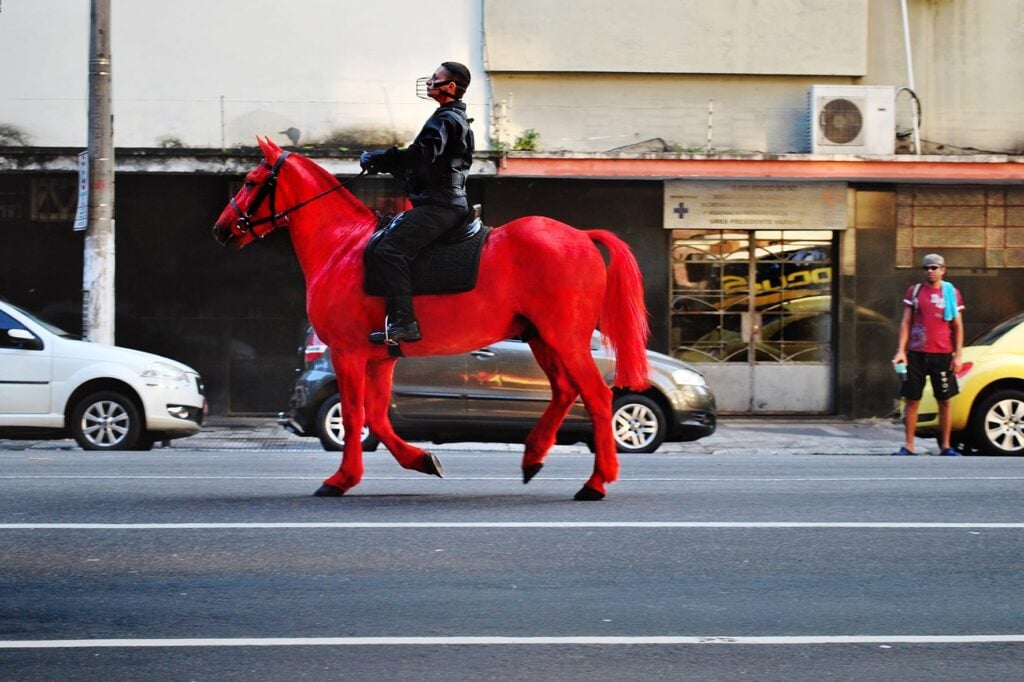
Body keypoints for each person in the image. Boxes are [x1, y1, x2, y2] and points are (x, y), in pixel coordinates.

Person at [359, 61, 475, 345]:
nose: (429, 82)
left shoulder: (446, 119)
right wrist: (386, 165)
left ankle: (404, 323)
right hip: (447, 203)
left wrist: (378, 158)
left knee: (389, 249)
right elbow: (423, 167)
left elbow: (420, 155)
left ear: (450, 87)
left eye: (435, 78)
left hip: (440, 206)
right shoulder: (454, 118)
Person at [891, 253, 965, 456]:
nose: (930, 271)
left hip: (943, 354)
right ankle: (909, 445)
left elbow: (957, 326)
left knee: (945, 400)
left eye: (934, 267)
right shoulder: (915, 291)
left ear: (943, 270)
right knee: (912, 399)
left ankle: (946, 446)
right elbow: (906, 322)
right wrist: (901, 351)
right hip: (917, 353)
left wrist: (958, 355)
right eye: (926, 268)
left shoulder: (951, 293)